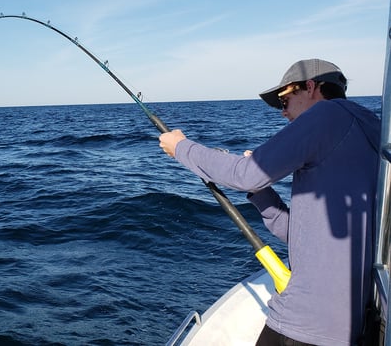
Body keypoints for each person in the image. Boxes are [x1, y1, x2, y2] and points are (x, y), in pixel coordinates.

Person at [159, 59, 380, 346]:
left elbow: (245, 175)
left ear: (311, 87)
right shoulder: (371, 127)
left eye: (284, 100)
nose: (283, 112)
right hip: (350, 324)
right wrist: (262, 194)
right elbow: (299, 234)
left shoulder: (327, 115)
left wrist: (181, 148)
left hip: (306, 320)